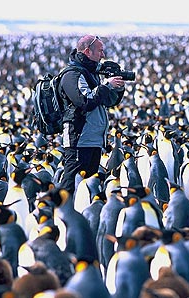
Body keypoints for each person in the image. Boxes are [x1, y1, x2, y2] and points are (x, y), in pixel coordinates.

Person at [58, 35, 126, 194]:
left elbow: (107, 101)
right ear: (88, 51)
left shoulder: (91, 73)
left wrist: (117, 88)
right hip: (79, 140)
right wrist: (106, 85)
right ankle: (62, 216)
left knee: (89, 190)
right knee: (71, 187)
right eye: (100, 51)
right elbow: (85, 101)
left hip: (94, 140)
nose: (103, 55)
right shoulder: (72, 74)